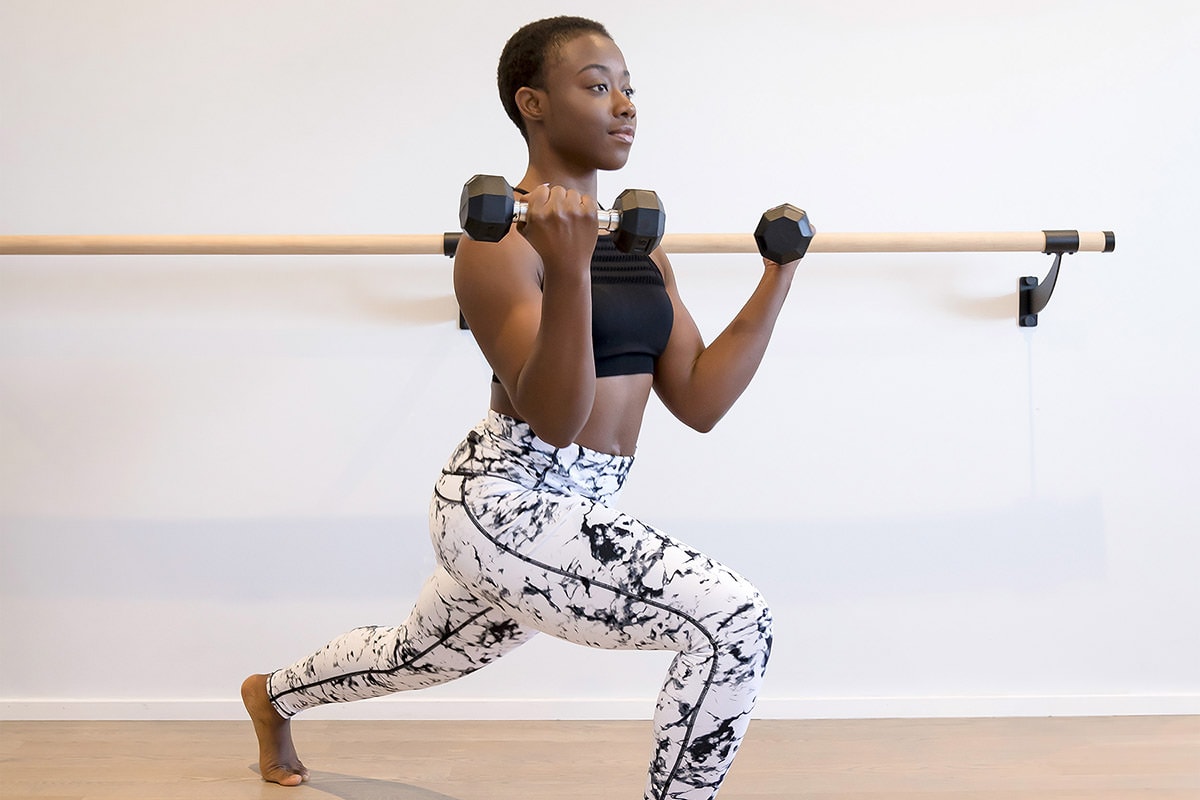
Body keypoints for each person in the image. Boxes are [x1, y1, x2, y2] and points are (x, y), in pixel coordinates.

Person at [242, 16, 799, 800]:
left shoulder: (641, 248)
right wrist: (568, 271)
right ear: (532, 103)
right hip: (503, 501)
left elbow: (700, 400)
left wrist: (779, 274)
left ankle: (270, 695)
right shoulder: (498, 240)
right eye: (598, 86)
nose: (625, 106)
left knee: (419, 653)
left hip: (583, 502)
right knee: (733, 619)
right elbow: (554, 419)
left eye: (629, 88)